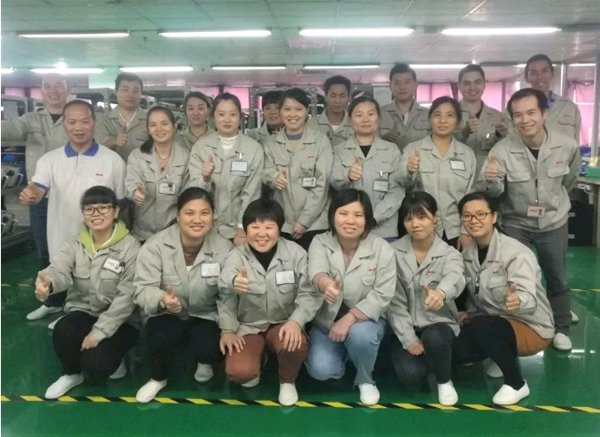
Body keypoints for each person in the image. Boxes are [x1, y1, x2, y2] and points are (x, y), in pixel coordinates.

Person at [477, 88, 581, 350]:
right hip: (516, 223)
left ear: (544, 113)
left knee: (556, 276)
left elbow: (569, 182)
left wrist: (553, 204)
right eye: (518, 115)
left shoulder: (566, 146)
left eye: (531, 112)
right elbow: (494, 194)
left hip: (553, 222)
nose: (525, 120)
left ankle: (561, 327)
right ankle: (515, 327)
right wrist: (490, 180)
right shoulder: (502, 150)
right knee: (512, 278)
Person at [19, 100, 126, 327]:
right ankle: (54, 304)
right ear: (64, 125)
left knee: (93, 276)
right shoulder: (50, 160)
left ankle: (76, 313)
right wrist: (31, 194)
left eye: (85, 121)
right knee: (59, 266)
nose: (78, 127)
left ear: (94, 123)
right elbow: (38, 188)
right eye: (72, 122)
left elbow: (120, 201)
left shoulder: (113, 160)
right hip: (62, 231)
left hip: (99, 237)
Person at [35, 186, 140, 399]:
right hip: (84, 312)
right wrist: (48, 284)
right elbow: (59, 269)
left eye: (103, 207)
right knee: (63, 330)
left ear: (115, 211)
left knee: (97, 365)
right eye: (89, 209)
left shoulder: (131, 247)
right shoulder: (75, 244)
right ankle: (71, 374)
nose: (96, 214)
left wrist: (99, 332)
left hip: (121, 321)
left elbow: (126, 299)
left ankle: (118, 356)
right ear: (83, 213)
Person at [217, 199, 321, 406]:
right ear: (246, 230)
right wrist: (227, 330)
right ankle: (257, 360)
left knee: (294, 343)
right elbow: (225, 291)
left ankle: (287, 381)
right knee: (240, 373)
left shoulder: (296, 253)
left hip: (283, 323)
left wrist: (296, 322)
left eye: (269, 227)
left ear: (279, 228)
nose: (261, 233)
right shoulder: (236, 255)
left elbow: (309, 293)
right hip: (249, 327)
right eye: (255, 227)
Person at [134, 188, 233, 403]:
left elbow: (226, 296)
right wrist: (162, 299)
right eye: (189, 213)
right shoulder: (155, 246)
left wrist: (227, 329)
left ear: (213, 216)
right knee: (158, 337)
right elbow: (142, 288)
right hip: (167, 314)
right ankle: (158, 378)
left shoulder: (225, 247)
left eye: (204, 213)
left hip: (205, 314)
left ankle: (205, 361)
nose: (197, 220)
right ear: (178, 216)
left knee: (211, 345)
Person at [454, 192, 554, 405]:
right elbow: (476, 294)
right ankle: (501, 355)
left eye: (481, 214)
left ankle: (516, 383)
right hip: (496, 321)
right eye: (467, 216)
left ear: (494, 217)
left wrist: (518, 301)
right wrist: (466, 313)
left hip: (530, 325)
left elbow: (529, 297)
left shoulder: (516, 253)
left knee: (482, 326)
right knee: (461, 351)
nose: (474, 220)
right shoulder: (468, 254)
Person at [305, 189, 396, 406]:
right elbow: (316, 271)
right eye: (343, 213)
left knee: (360, 336)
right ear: (332, 216)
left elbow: (382, 294)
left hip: (365, 321)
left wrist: (349, 319)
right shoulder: (320, 241)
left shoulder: (382, 248)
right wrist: (326, 284)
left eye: (358, 215)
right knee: (320, 370)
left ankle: (365, 379)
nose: (350, 221)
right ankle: (349, 357)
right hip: (327, 322)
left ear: (367, 219)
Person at [2, 74, 70, 320]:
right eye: (47, 86)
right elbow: (7, 129)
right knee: (45, 251)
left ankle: (76, 303)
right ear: (41, 91)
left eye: (58, 86)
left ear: (67, 89)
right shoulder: (31, 120)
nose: (53, 91)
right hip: (40, 198)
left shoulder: (76, 117)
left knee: (75, 249)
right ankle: (52, 300)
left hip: (71, 196)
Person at [387, 192, 464, 406]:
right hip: (406, 327)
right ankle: (434, 360)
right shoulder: (391, 252)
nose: (415, 224)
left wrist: (441, 293)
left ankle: (444, 380)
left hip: (439, 326)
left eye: (422, 217)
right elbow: (394, 303)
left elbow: (456, 277)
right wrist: (408, 338)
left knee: (436, 337)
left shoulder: (449, 253)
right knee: (411, 375)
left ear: (435, 218)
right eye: (408, 219)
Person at [397, 96, 476, 249]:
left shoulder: (466, 154)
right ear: (429, 119)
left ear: (458, 121)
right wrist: (410, 170)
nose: (443, 120)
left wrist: (465, 231)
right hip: (420, 227)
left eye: (450, 115)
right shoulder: (413, 149)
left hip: (454, 230)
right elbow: (402, 184)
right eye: (437, 115)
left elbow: (469, 196)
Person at [188, 93, 264, 245]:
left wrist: (243, 226)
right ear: (213, 117)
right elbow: (194, 192)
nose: (227, 120)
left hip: (237, 230)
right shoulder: (201, 148)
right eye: (221, 114)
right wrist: (205, 179)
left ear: (240, 116)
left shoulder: (253, 149)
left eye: (232, 114)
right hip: (204, 227)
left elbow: (251, 193)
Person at [263, 88, 333, 251]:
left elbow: (322, 184)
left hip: (315, 224)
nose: (292, 114)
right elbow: (265, 171)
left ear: (307, 111)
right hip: (282, 222)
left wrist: (304, 221)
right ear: (280, 111)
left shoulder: (320, 142)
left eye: (298, 109)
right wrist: (273, 177)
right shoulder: (271, 143)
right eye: (287, 109)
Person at [331, 96, 404, 241]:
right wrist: (347, 175)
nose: (365, 119)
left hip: (384, 230)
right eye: (359, 115)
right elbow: (333, 182)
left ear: (378, 118)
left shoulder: (392, 150)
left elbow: (396, 192)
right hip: (349, 227)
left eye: (371, 114)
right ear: (350, 120)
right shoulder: (339, 150)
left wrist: (372, 218)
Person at [126, 106, 189, 242]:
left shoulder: (186, 157)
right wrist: (135, 191)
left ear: (174, 126)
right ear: (148, 130)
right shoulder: (137, 156)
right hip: (142, 233)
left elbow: (188, 196)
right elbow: (133, 180)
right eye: (153, 125)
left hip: (174, 233)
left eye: (164, 123)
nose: (159, 129)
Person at [455, 64, 509, 175]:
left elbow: (504, 151)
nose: (473, 87)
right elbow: (441, 144)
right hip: (456, 177)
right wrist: (464, 132)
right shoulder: (449, 113)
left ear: (484, 84)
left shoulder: (497, 116)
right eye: (467, 83)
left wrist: (499, 136)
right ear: (459, 86)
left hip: (487, 178)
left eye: (477, 82)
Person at [524, 54, 581, 142]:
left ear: (552, 74)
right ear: (526, 78)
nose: (540, 77)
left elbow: (575, 144)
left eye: (544, 71)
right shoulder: (515, 110)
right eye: (533, 73)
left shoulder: (570, 108)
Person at [95, 72, 148, 161]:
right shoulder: (103, 120)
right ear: (116, 91)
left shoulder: (150, 120)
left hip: (143, 169)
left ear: (141, 93)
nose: (130, 95)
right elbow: (96, 148)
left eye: (135, 91)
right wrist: (114, 141)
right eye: (125, 90)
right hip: (112, 169)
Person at [378, 63, 430, 151]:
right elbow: (367, 142)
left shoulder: (428, 115)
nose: (402, 87)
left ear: (416, 85)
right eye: (397, 83)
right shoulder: (379, 114)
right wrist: (383, 140)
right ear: (390, 86)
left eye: (407, 82)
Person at [307, 75, 353, 146]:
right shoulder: (311, 125)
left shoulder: (355, 125)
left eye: (342, 96)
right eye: (333, 96)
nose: (337, 101)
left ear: (349, 97)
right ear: (326, 96)